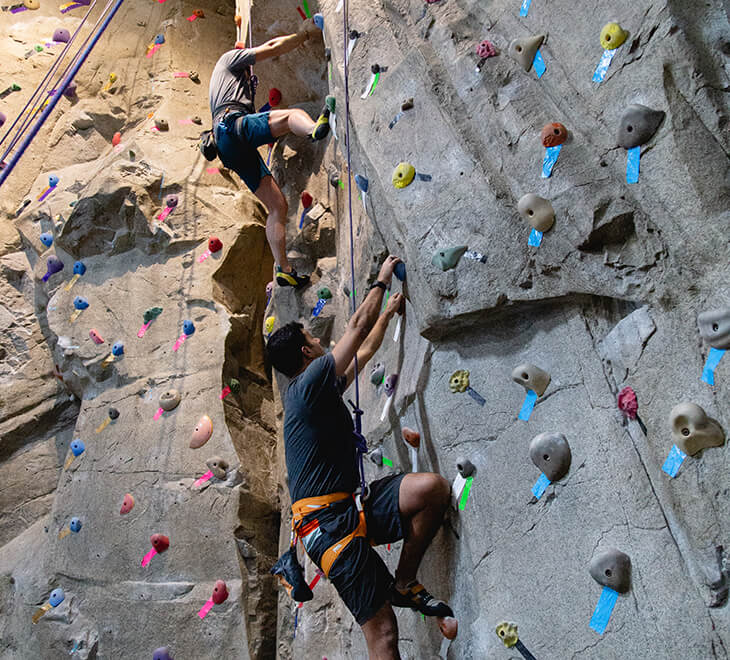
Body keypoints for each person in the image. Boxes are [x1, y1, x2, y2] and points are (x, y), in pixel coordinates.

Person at [266, 256, 454, 660]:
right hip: (327, 529)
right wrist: (381, 279)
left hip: (350, 507)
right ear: (305, 350)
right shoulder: (306, 385)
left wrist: (387, 314)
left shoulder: (318, 391)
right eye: (314, 339)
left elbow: (364, 349)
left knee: (433, 491)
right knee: (383, 633)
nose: (321, 342)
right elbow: (356, 328)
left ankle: (404, 580)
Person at [209, 19, 334, 289]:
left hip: (226, 145)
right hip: (233, 125)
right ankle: (314, 129)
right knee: (290, 116)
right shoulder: (231, 59)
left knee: (277, 206)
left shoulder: (222, 85)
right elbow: (272, 47)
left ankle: (283, 269)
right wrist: (302, 35)